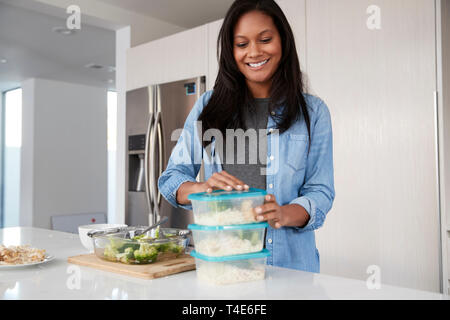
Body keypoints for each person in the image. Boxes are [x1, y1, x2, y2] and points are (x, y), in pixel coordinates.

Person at [158, 0, 334, 273]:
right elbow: (172, 179)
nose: (254, 52)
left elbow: (320, 191)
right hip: (224, 264)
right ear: (231, 51)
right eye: (242, 44)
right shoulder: (208, 106)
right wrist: (203, 189)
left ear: (283, 42)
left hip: (291, 268)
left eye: (265, 39)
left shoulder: (313, 112)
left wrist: (284, 214)